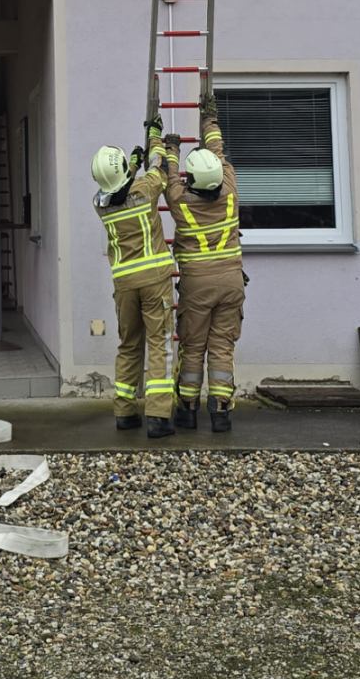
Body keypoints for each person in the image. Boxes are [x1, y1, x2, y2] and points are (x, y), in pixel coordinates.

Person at [163, 91, 246, 433]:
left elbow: (169, 179)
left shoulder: (182, 203)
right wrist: (209, 117)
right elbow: (217, 150)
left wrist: (171, 149)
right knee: (222, 346)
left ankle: (186, 409)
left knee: (194, 346)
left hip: (197, 285)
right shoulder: (230, 191)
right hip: (231, 283)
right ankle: (221, 411)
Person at [91, 118, 176, 438]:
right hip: (154, 279)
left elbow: (118, 187)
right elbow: (161, 168)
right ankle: (158, 415)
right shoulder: (144, 190)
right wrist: (155, 137)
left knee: (129, 344)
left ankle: (125, 411)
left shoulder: (100, 204)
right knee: (160, 344)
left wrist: (132, 162)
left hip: (123, 285)